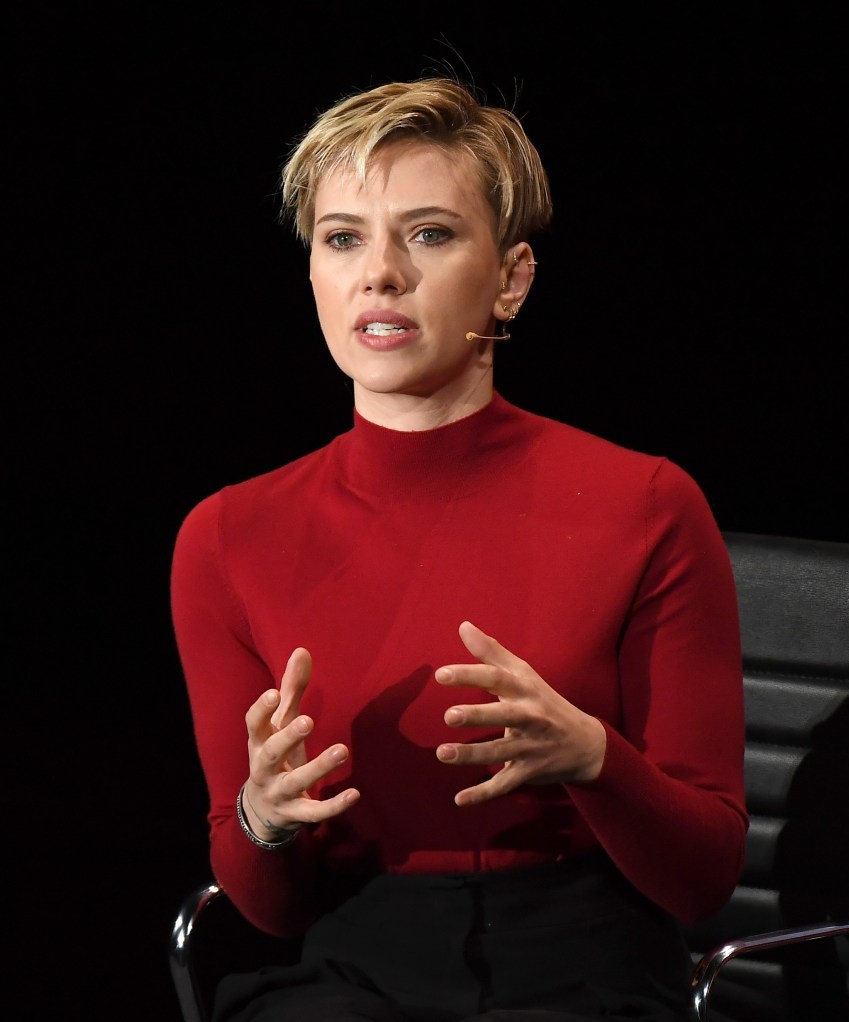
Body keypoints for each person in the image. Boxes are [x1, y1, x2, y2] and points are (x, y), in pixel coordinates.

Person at [169, 76, 748, 1022]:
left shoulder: (647, 505)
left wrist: (593, 757)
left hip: (585, 974)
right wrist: (261, 819)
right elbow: (269, 912)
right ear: (313, 273)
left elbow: (704, 877)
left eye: (430, 234)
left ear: (512, 279)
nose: (380, 274)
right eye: (343, 238)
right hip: (349, 978)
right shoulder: (228, 537)